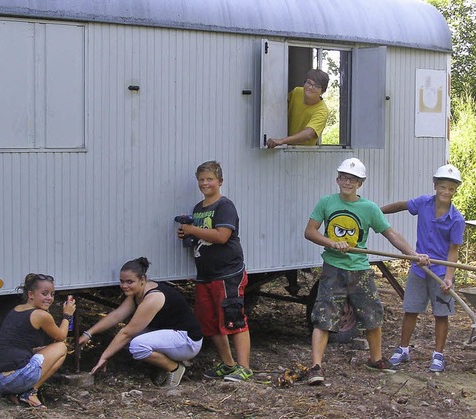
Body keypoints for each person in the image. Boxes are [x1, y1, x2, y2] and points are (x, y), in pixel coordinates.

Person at [303, 157, 430, 385]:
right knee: (323, 317)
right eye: (343, 177)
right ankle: (316, 366)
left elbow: (391, 234)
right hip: (333, 269)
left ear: (360, 183)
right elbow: (310, 232)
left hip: (360, 270)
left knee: (373, 315)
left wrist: (413, 254)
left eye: (352, 179)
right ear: (337, 179)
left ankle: (376, 359)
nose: (347, 182)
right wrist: (331, 243)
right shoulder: (326, 203)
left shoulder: (369, 208)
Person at [383, 164, 465, 372]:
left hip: (440, 271)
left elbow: (453, 251)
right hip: (419, 268)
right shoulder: (423, 203)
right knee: (410, 310)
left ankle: (438, 355)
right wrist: (377, 211)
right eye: (443, 187)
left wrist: (449, 277)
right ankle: (403, 350)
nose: (446, 192)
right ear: (435, 185)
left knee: (441, 314)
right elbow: (402, 205)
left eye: (451, 189)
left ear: (456, 191)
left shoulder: (456, 219)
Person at [177, 160, 252, 382]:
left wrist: (194, 230)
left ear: (220, 181)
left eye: (209, 179)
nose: (205, 183)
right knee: (210, 322)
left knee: (234, 318)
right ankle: (228, 365)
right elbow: (199, 237)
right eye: (201, 179)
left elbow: (221, 236)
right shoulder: (198, 209)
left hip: (228, 272)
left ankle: (244, 368)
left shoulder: (224, 206)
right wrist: (187, 234)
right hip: (205, 274)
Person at [80, 257, 203, 388]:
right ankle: (165, 363)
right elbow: (116, 315)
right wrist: (89, 333)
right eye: (122, 282)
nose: (124, 286)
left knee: (137, 346)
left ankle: (174, 368)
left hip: (187, 341)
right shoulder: (137, 292)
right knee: (126, 341)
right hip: (170, 333)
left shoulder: (153, 298)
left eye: (129, 282)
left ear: (142, 279)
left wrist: (104, 357)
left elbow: (126, 332)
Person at [0, 273, 76, 410]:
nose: (49, 298)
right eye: (44, 293)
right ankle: (30, 393)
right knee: (61, 348)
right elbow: (61, 336)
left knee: (44, 350)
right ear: (31, 294)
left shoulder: (16, 310)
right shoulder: (40, 315)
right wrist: (67, 315)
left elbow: (16, 345)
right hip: (12, 379)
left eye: (52, 294)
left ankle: (14, 393)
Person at [266, 68, 329, 148]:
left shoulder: (322, 111)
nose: (310, 87)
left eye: (316, 86)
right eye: (308, 83)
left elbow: (308, 134)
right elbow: (278, 105)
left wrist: (282, 141)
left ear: (322, 91)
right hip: (279, 149)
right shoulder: (297, 92)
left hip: (300, 154)